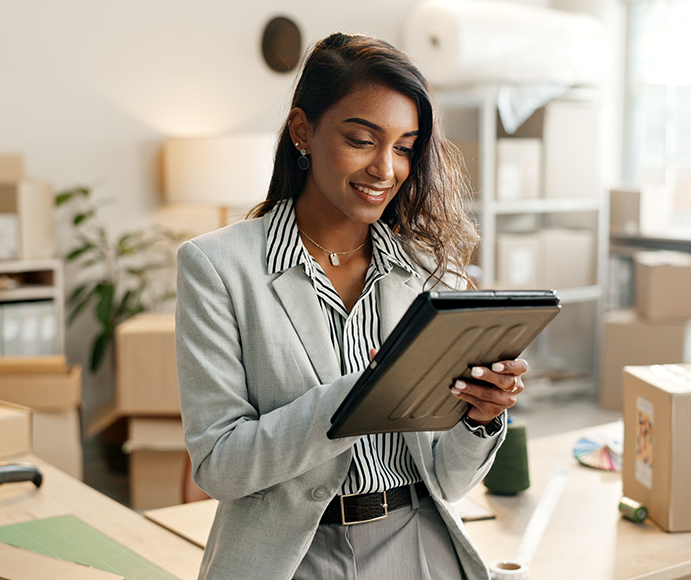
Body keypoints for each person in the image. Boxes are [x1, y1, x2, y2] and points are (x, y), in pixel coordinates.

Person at [175, 32, 528, 580]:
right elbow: (220, 466)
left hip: (417, 546)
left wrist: (481, 418)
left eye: (405, 146)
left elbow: (449, 482)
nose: (386, 168)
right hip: (289, 558)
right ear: (302, 132)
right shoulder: (217, 267)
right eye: (363, 140)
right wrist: (364, 394)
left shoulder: (434, 274)